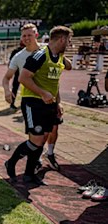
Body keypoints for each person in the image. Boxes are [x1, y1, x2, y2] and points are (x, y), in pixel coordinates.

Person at [4, 25, 73, 185]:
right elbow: (23, 78)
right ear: (62, 39)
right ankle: (11, 162)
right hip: (33, 102)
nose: (70, 45)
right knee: (35, 140)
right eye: (68, 41)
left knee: (42, 140)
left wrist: (58, 102)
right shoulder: (40, 55)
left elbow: (61, 76)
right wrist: (42, 93)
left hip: (50, 104)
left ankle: (29, 174)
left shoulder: (59, 57)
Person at [6, 41, 25, 109]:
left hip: (18, 72)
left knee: (15, 88)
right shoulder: (25, 51)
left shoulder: (16, 51)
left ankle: (12, 103)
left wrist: (11, 70)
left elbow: (10, 61)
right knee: (25, 89)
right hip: (24, 72)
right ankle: (22, 104)